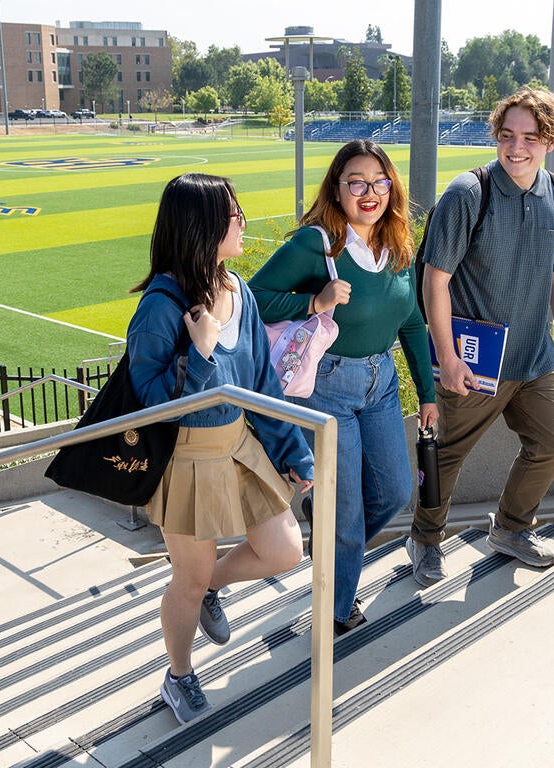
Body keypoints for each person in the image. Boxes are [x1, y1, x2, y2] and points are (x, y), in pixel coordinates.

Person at [127, 173, 314, 724]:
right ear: (203, 226)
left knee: (285, 551)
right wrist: (201, 355)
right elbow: (150, 408)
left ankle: (211, 587)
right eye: (234, 215)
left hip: (239, 445)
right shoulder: (161, 308)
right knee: (187, 577)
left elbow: (261, 385)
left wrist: (294, 452)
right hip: (185, 460)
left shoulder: (239, 290)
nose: (244, 222)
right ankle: (178, 675)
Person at [249, 140, 439, 635]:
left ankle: (334, 542)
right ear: (337, 189)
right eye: (356, 181)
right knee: (348, 515)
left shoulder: (398, 242)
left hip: (381, 384)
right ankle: (334, 611)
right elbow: (254, 300)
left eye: (379, 181)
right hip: (328, 386)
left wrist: (428, 393)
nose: (369, 192)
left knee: (396, 491)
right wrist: (313, 302)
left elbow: (413, 322)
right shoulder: (317, 244)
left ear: (391, 187)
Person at [407, 86, 554, 587]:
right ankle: (423, 539)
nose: (516, 147)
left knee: (552, 444)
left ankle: (510, 528)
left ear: (551, 140)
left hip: (536, 359)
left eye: (531, 137)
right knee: (445, 456)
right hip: (475, 359)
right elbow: (434, 279)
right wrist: (447, 356)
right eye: (507, 136)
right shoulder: (469, 192)